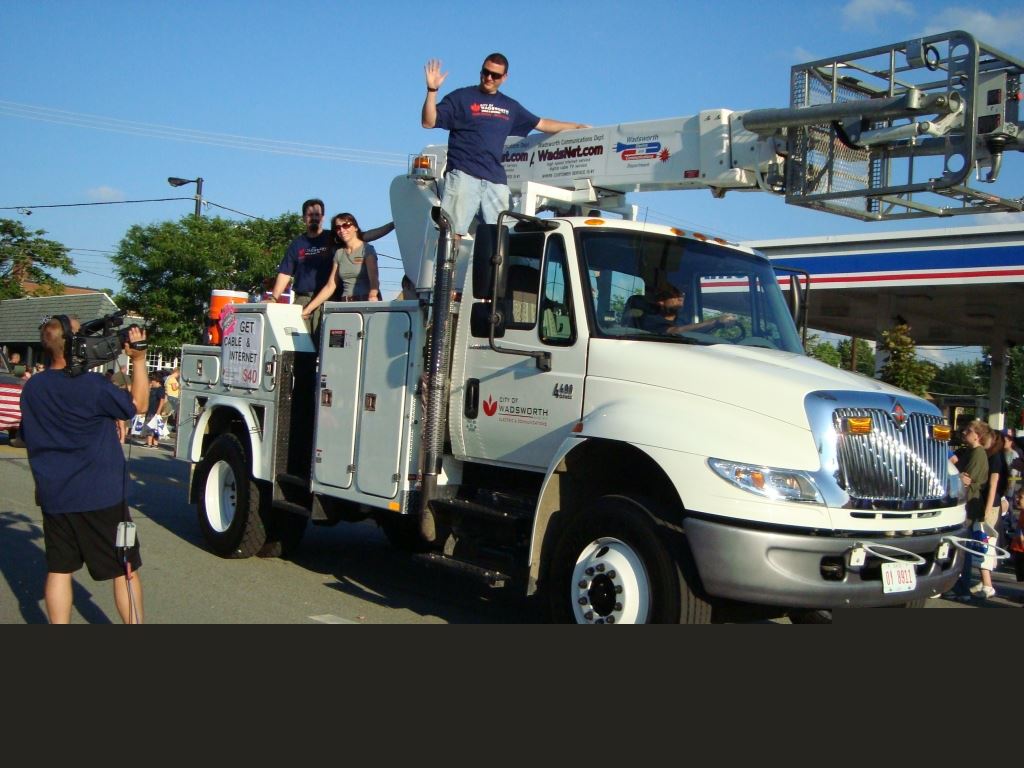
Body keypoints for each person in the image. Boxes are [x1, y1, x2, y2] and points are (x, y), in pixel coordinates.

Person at [19, 317, 148, 623]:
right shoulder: (92, 385)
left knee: (60, 569)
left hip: (55, 495)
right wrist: (140, 360)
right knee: (125, 570)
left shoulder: (33, 387)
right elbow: (139, 404)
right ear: (75, 344)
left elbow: (28, 433)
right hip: (101, 496)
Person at [422, 53, 589, 238]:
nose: (489, 78)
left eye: (495, 75)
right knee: (453, 234)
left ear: (505, 77)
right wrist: (432, 90)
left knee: (504, 235)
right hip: (464, 174)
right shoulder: (461, 97)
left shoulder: (510, 106)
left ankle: (496, 267)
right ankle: (449, 267)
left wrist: (575, 126)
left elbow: (541, 123)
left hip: (496, 180)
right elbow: (429, 122)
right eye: (486, 72)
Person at [268, 198, 394, 334]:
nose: (314, 218)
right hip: (303, 299)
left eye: (317, 215)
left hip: (329, 300)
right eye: (310, 215)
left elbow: (364, 236)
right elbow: (285, 273)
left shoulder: (333, 238)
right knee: (298, 342)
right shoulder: (297, 244)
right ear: (304, 218)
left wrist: (394, 223)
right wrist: (274, 298)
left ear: (322, 217)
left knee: (325, 343)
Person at [302, 213, 381, 324]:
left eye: (346, 225)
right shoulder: (339, 253)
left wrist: (373, 295)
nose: (342, 230)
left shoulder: (367, 249)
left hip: (365, 305)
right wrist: (308, 309)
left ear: (355, 227)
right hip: (345, 306)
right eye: (338, 228)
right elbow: (331, 285)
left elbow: (374, 278)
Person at [951, 419, 991, 599]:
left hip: (969, 505)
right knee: (959, 546)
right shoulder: (969, 451)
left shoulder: (978, 454)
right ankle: (959, 586)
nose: (964, 432)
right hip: (964, 504)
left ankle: (963, 588)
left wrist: (958, 476)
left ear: (978, 435)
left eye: (969, 430)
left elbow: (968, 480)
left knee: (963, 548)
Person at [640, 285, 739, 335]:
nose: (680, 297)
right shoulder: (651, 319)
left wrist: (719, 325)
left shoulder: (684, 321)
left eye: (682, 294)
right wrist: (714, 321)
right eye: (675, 295)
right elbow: (674, 331)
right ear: (661, 301)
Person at [143, 373, 167, 449]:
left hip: (154, 411)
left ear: (157, 381)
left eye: (153, 380)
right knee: (150, 426)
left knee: (151, 427)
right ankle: (151, 443)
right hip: (150, 410)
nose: (151, 382)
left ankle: (151, 443)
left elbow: (162, 400)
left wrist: (158, 411)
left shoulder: (160, 389)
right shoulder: (153, 389)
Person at [1009, 488, 1024, 582]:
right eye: (1017, 497)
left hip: (1022, 549)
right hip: (1018, 548)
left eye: (1021, 497)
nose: (1017, 499)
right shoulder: (1022, 512)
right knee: (1020, 574)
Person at [163, 366, 180, 431]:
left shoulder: (168, 378)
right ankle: (163, 429)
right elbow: (174, 388)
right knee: (167, 414)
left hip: (169, 397)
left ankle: (164, 429)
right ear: (177, 373)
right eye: (179, 374)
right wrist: (180, 386)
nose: (179, 376)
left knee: (167, 414)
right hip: (172, 397)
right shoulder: (172, 379)